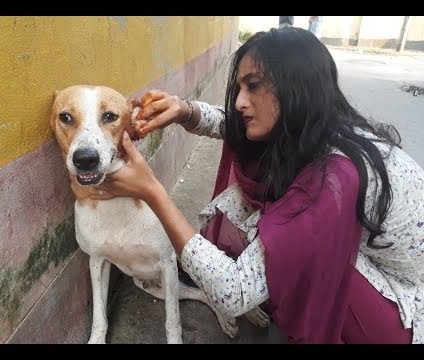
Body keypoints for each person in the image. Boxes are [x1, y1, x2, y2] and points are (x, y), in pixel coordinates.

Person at [94, 27, 424, 343]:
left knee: (283, 241)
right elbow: (234, 126)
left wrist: (153, 192)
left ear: (296, 88)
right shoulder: (315, 124)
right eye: (239, 88)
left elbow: (232, 292)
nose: (239, 102)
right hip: (383, 272)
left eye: (253, 86)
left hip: (405, 310)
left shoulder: (334, 179)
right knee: (278, 228)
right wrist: (184, 110)